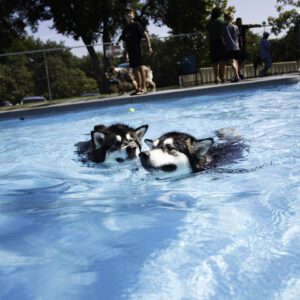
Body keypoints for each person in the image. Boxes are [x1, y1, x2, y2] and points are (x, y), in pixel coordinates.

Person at [119, 7, 153, 95]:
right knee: (134, 69)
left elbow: (145, 35)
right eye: (126, 14)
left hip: (137, 49)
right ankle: (138, 89)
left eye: (130, 13)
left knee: (140, 68)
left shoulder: (137, 24)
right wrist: (126, 53)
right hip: (130, 51)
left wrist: (149, 46)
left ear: (133, 15)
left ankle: (144, 88)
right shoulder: (125, 29)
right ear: (124, 17)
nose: (128, 15)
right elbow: (125, 42)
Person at [207, 7, 226, 83]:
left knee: (215, 61)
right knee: (222, 60)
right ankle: (223, 77)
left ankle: (216, 77)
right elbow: (223, 33)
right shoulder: (221, 21)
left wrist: (208, 45)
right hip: (220, 42)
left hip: (212, 42)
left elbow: (207, 35)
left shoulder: (209, 22)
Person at [221, 12, 240, 82]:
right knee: (235, 61)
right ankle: (236, 76)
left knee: (231, 62)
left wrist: (225, 44)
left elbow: (222, 38)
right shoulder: (236, 26)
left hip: (229, 47)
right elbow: (237, 37)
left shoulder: (224, 27)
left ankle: (237, 76)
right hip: (236, 46)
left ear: (225, 19)